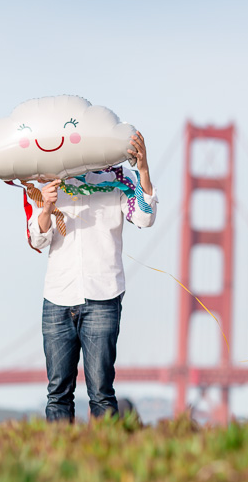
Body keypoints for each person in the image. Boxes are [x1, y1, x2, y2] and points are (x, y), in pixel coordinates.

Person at [28, 132, 156, 422]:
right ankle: (59, 462)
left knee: (101, 392)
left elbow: (145, 217)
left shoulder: (120, 178)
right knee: (57, 392)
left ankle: (104, 459)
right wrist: (46, 207)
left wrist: (143, 170)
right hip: (58, 295)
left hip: (103, 294)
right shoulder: (49, 180)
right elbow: (37, 239)